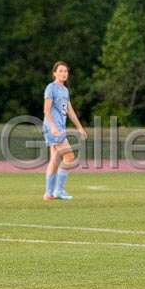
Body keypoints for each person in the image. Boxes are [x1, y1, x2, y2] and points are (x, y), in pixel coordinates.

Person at [42, 61, 87, 200]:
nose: (64, 73)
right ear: (54, 73)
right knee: (69, 157)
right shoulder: (51, 87)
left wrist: (79, 127)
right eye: (61, 71)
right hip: (53, 128)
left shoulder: (65, 90)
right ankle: (58, 191)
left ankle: (49, 193)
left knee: (55, 160)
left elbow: (70, 111)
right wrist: (53, 127)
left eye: (66, 71)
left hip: (60, 128)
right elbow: (46, 110)